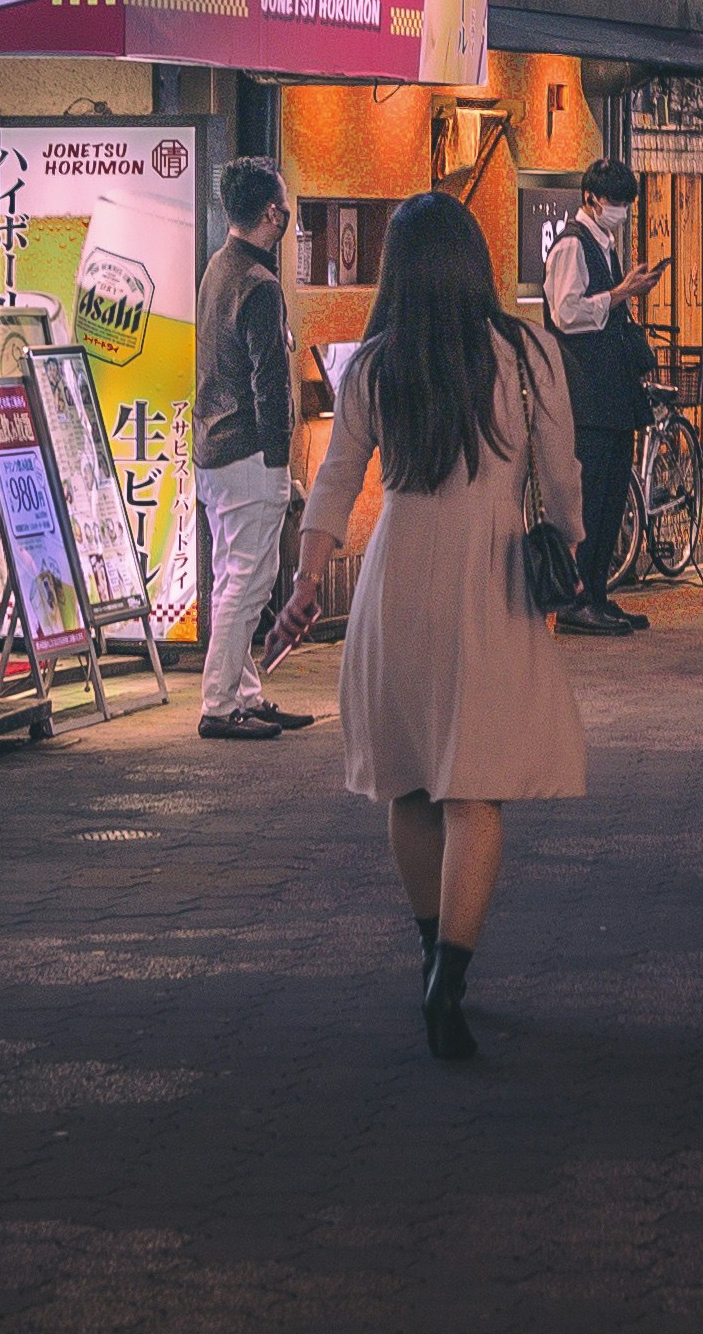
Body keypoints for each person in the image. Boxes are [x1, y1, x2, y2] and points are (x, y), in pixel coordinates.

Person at [277, 192, 588, 1061]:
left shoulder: (375, 363)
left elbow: (335, 480)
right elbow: (560, 478)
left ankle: (425, 957)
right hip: (488, 575)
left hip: (396, 577)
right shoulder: (526, 354)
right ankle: (448, 980)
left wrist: (306, 579)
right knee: (473, 784)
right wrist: (570, 543)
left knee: (409, 780)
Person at [193, 155, 313, 743]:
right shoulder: (260, 286)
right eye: (285, 205)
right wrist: (280, 465)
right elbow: (270, 383)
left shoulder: (218, 268)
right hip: (249, 454)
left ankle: (245, 694)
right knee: (249, 582)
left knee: (228, 578)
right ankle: (220, 704)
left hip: (213, 451)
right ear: (272, 212)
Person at [541, 158, 662, 636]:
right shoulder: (572, 245)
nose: (623, 211)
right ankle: (576, 602)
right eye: (617, 202)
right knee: (590, 499)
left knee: (612, 496)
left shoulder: (604, 243)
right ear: (591, 198)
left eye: (628, 203)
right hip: (586, 391)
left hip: (610, 391)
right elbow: (566, 313)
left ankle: (598, 595)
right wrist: (620, 292)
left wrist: (625, 289)